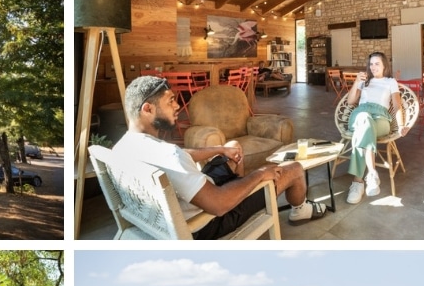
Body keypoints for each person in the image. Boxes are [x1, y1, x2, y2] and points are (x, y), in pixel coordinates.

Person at [113, 75, 327, 239]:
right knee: (294, 168)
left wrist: (220, 149)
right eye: (170, 101)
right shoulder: (169, 155)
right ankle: (300, 210)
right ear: (147, 109)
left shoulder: (122, 148)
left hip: (178, 210)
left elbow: (180, 155)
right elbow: (218, 205)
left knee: (233, 147)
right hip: (208, 222)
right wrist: (261, 174)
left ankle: (238, 186)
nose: (178, 106)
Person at [343, 52, 406, 204]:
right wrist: (356, 81)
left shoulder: (390, 82)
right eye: (371, 64)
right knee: (364, 119)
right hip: (360, 115)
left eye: (377, 63)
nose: (373, 67)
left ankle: (357, 183)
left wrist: (401, 125)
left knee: (363, 130)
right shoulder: (364, 80)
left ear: (385, 65)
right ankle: (371, 174)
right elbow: (351, 101)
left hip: (381, 119)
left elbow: (397, 105)